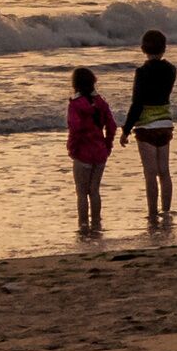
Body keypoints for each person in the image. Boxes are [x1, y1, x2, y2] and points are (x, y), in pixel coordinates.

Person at [127, 29, 177, 225]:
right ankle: (166, 211)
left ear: (143, 49)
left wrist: (125, 129)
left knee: (150, 173)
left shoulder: (142, 72)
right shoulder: (171, 70)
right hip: (166, 123)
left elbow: (137, 103)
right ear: (164, 48)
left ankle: (152, 213)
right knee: (164, 171)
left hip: (146, 126)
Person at [64, 65, 118, 235]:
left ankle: (83, 224)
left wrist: (72, 149)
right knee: (94, 190)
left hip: (83, 153)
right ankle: (96, 222)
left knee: (81, 192)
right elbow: (111, 126)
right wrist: (107, 145)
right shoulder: (101, 103)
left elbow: (76, 128)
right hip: (99, 151)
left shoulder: (75, 105)